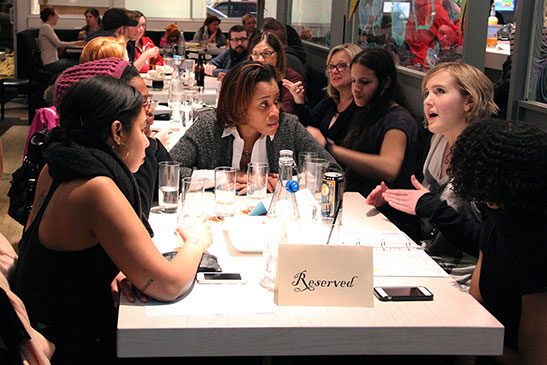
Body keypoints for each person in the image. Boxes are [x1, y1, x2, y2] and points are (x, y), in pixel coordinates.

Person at [10, 76, 212, 364]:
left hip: (40, 323)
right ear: (118, 131)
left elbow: (63, 261)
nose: (148, 141)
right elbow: (169, 285)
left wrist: (120, 265)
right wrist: (197, 241)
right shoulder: (96, 188)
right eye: (143, 129)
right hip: (69, 345)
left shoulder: (57, 165)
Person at [367, 62, 498, 287]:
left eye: (440, 91)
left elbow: (490, 243)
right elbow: (430, 217)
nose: (428, 100)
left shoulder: (486, 158)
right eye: (427, 92)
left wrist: (429, 206)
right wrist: (394, 202)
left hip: (464, 282)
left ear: (469, 101)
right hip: (426, 263)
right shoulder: (438, 139)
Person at [430, 119, 547, 363]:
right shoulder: (495, 218)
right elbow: (476, 307)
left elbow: (533, 359)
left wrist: (466, 340)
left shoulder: (537, 246)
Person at [170, 62, 340, 190]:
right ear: (238, 106)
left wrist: (285, 184)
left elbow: (334, 173)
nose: (275, 111)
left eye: (276, 101)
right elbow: (167, 172)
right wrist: (228, 177)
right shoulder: (210, 125)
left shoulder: (288, 126)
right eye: (264, 105)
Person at [310, 48, 419, 238]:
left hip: (388, 223)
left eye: (364, 82)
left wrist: (330, 147)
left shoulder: (398, 120)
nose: (356, 88)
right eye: (353, 81)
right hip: (361, 212)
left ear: (385, 82)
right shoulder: (367, 112)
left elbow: (389, 167)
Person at [54, 57, 170, 218]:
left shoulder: (59, 157)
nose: (148, 110)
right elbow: (137, 223)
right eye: (141, 103)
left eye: (147, 101)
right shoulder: (97, 184)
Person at [283, 43, 362, 145]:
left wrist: (326, 144)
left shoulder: (361, 106)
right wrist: (299, 99)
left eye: (341, 66)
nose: (334, 71)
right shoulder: (330, 101)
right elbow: (309, 124)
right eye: (331, 66)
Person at [249, 32, 305, 114]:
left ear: (278, 54)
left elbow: (286, 113)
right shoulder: (247, 75)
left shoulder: (292, 78)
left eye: (266, 53)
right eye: (255, 54)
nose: (260, 59)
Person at [36, 6, 84, 74]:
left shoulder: (46, 27)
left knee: (75, 62)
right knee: (78, 63)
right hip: (50, 64)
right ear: (50, 16)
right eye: (56, 15)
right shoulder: (46, 27)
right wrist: (76, 43)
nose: (58, 17)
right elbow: (59, 44)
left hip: (53, 62)